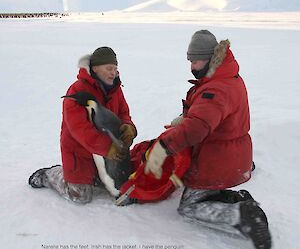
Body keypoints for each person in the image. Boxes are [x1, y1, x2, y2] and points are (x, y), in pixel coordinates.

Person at [144, 30, 271, 249]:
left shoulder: (215, 89)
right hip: (233, 155)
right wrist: (186, 117)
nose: (193, 66)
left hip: (217, 160)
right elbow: (212, 115)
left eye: (197, 60)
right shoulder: (229, 77)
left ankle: (241, 215)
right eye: (190, 60)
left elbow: (197, 129)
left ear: (212, 58)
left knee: (189, 207)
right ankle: (235, 198)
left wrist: (164, 146)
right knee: (206, 191)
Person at [28, 46, 137, 204]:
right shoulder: (77, 91)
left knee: (117, 187)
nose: (113, 72)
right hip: (80, 151)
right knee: (80, 195)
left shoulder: (115, 89)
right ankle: (50, 175)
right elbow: (80, 130)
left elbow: (123, 113)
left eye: (115, 68)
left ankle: (96, 175)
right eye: (109, 68)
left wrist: (128, 127)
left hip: (106, 153)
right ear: (95, 68)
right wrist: (108, 148)